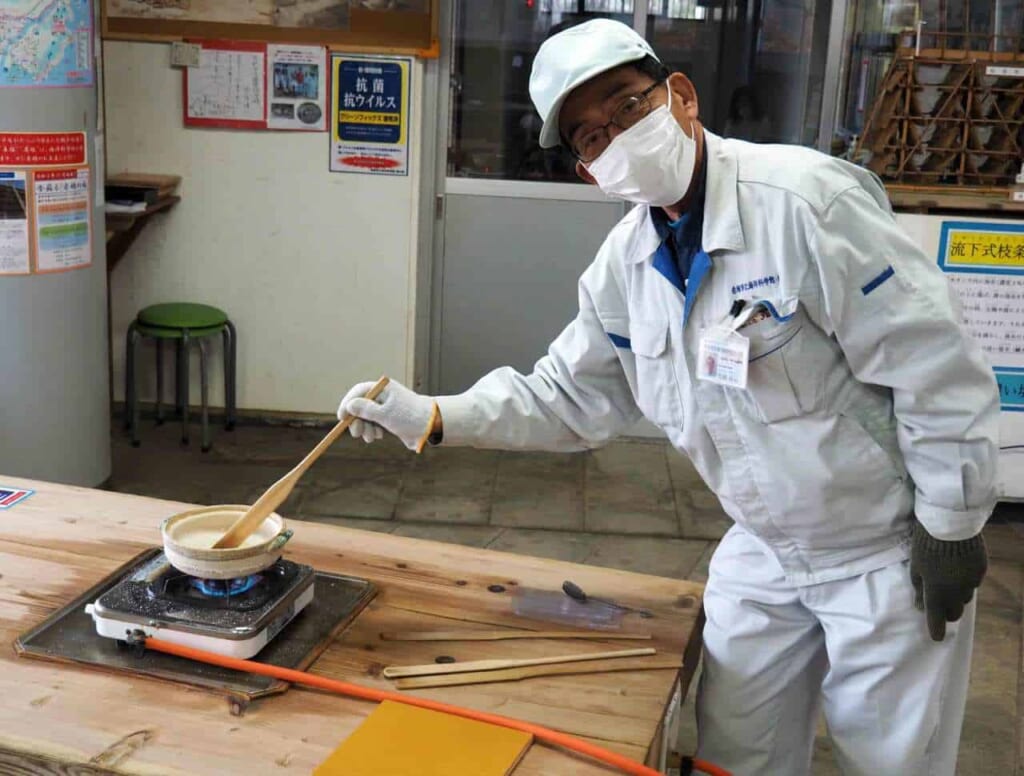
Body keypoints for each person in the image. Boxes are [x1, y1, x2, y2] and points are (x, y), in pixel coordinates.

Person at [337, 19, 997, 775]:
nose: (614, 138)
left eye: (626, 108)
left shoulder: (804, 204)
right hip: (764, 547)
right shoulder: (624, 266)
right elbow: (564, 397)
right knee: (730, 752)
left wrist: (950, 521)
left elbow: (934, 363)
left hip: (883, 552)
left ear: (680, 96)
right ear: (587, 171)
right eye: (589, 137)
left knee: (890, 761)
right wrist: (432, 416)